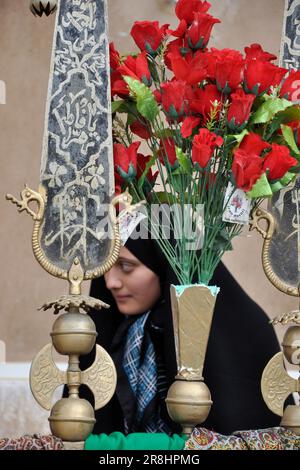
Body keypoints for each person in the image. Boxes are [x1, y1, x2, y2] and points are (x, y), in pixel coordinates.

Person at [79, 232, 281, 436]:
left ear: (164, 263)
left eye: (126, 266)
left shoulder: (244, 332)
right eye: (105, 266)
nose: (110, 282)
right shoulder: (112, 331)